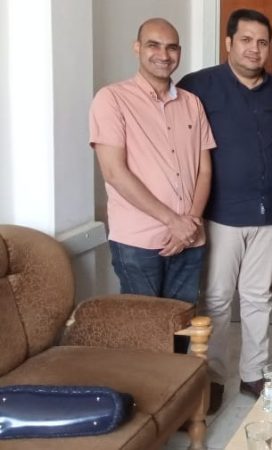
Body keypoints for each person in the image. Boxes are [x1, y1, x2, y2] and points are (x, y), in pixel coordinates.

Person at [177, 8, 272, 409]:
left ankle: (253, 374)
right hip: (221, 214)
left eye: (262, 42)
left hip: (271, 214)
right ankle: (211, 379)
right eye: (245, 40)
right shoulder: (198, 86)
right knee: (216, 299)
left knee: (258, 296)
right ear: (228, 42)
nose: (254, 49)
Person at [90, 18, 214, 304]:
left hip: (190, 238)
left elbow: (205, 171)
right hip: (138, 242)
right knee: (143, 325)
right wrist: (173, 222)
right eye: (153, 45)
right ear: (137, 48)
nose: (164, 55)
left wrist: (190, 223)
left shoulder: (192, 103)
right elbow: (114, 172)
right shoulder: (111, 99)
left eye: (172, 47)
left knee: (182, 323)